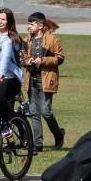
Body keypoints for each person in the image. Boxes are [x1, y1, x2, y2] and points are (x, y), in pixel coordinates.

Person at [22, 12, 65, 153]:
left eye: (31, 24)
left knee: (45, 112)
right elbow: (20, 59)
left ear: (40, 26)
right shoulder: (26, 40)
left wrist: (43, 60)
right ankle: (38, 144)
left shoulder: (52, 39)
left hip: (46, 80)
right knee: (34, 113)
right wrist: (26, 61)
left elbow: (60, 58)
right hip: (31, 79)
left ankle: (58, 133)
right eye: (29, 23)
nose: (29, 26)